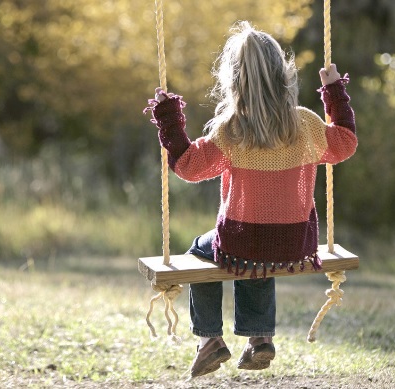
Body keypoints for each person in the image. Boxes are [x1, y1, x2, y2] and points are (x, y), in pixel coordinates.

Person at [145, 21, 357, 378]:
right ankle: (260, 339)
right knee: (257, 255)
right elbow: (346, 142)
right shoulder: (304, 125)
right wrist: (333, 91)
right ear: (283, 76)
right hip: (295, 245)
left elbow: (187, 165)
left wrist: (169, 119)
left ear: (233, 81)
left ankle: (210, 340)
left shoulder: (231, 130)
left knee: (202, 250)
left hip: (242, 241)